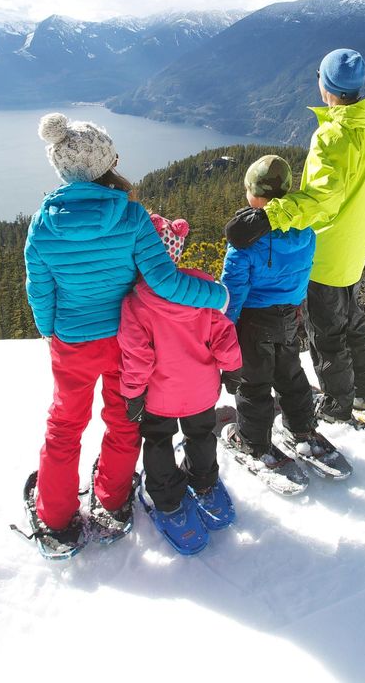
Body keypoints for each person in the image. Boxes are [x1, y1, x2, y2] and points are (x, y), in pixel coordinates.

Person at [24, 113, 228, 552]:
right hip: (125, 340)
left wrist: (48, 330)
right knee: (122, 421)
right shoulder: (133, 217)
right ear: (105, 164)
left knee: (65, 426)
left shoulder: (43, 223)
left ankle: (56, 518)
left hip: (73, 341)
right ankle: (111, 500)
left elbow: (40, 289)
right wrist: (216, 297)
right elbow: (165, 283)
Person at [225, 49, 365, 424]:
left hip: (328, 247)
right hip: (356, 240)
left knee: (326, 331)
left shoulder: (333, 135)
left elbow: (321, 196)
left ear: (325, 84)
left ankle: (336, 405)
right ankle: (363, 390)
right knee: (352, 320)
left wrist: (268, 217)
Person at [118, 214, 243, 554]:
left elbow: (136, 357)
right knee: (200, 435)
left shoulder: (136, 303)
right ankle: (204, 484)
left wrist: (132, 394)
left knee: (159, 441)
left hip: (159, 396)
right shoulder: (204, 292)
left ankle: (168, 501)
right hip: (202, 392)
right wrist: (232, 369)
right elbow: (224, 335)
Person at [219, 154, 324, 462]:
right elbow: (303, 272)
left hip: (253, 321)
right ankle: (302, 429)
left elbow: (233, 291)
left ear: (253, 194)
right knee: (291, 375)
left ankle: (253, 442)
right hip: (290, 315)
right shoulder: (306, 231)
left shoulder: (245, 243)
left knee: (254, 385)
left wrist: (225, 326)